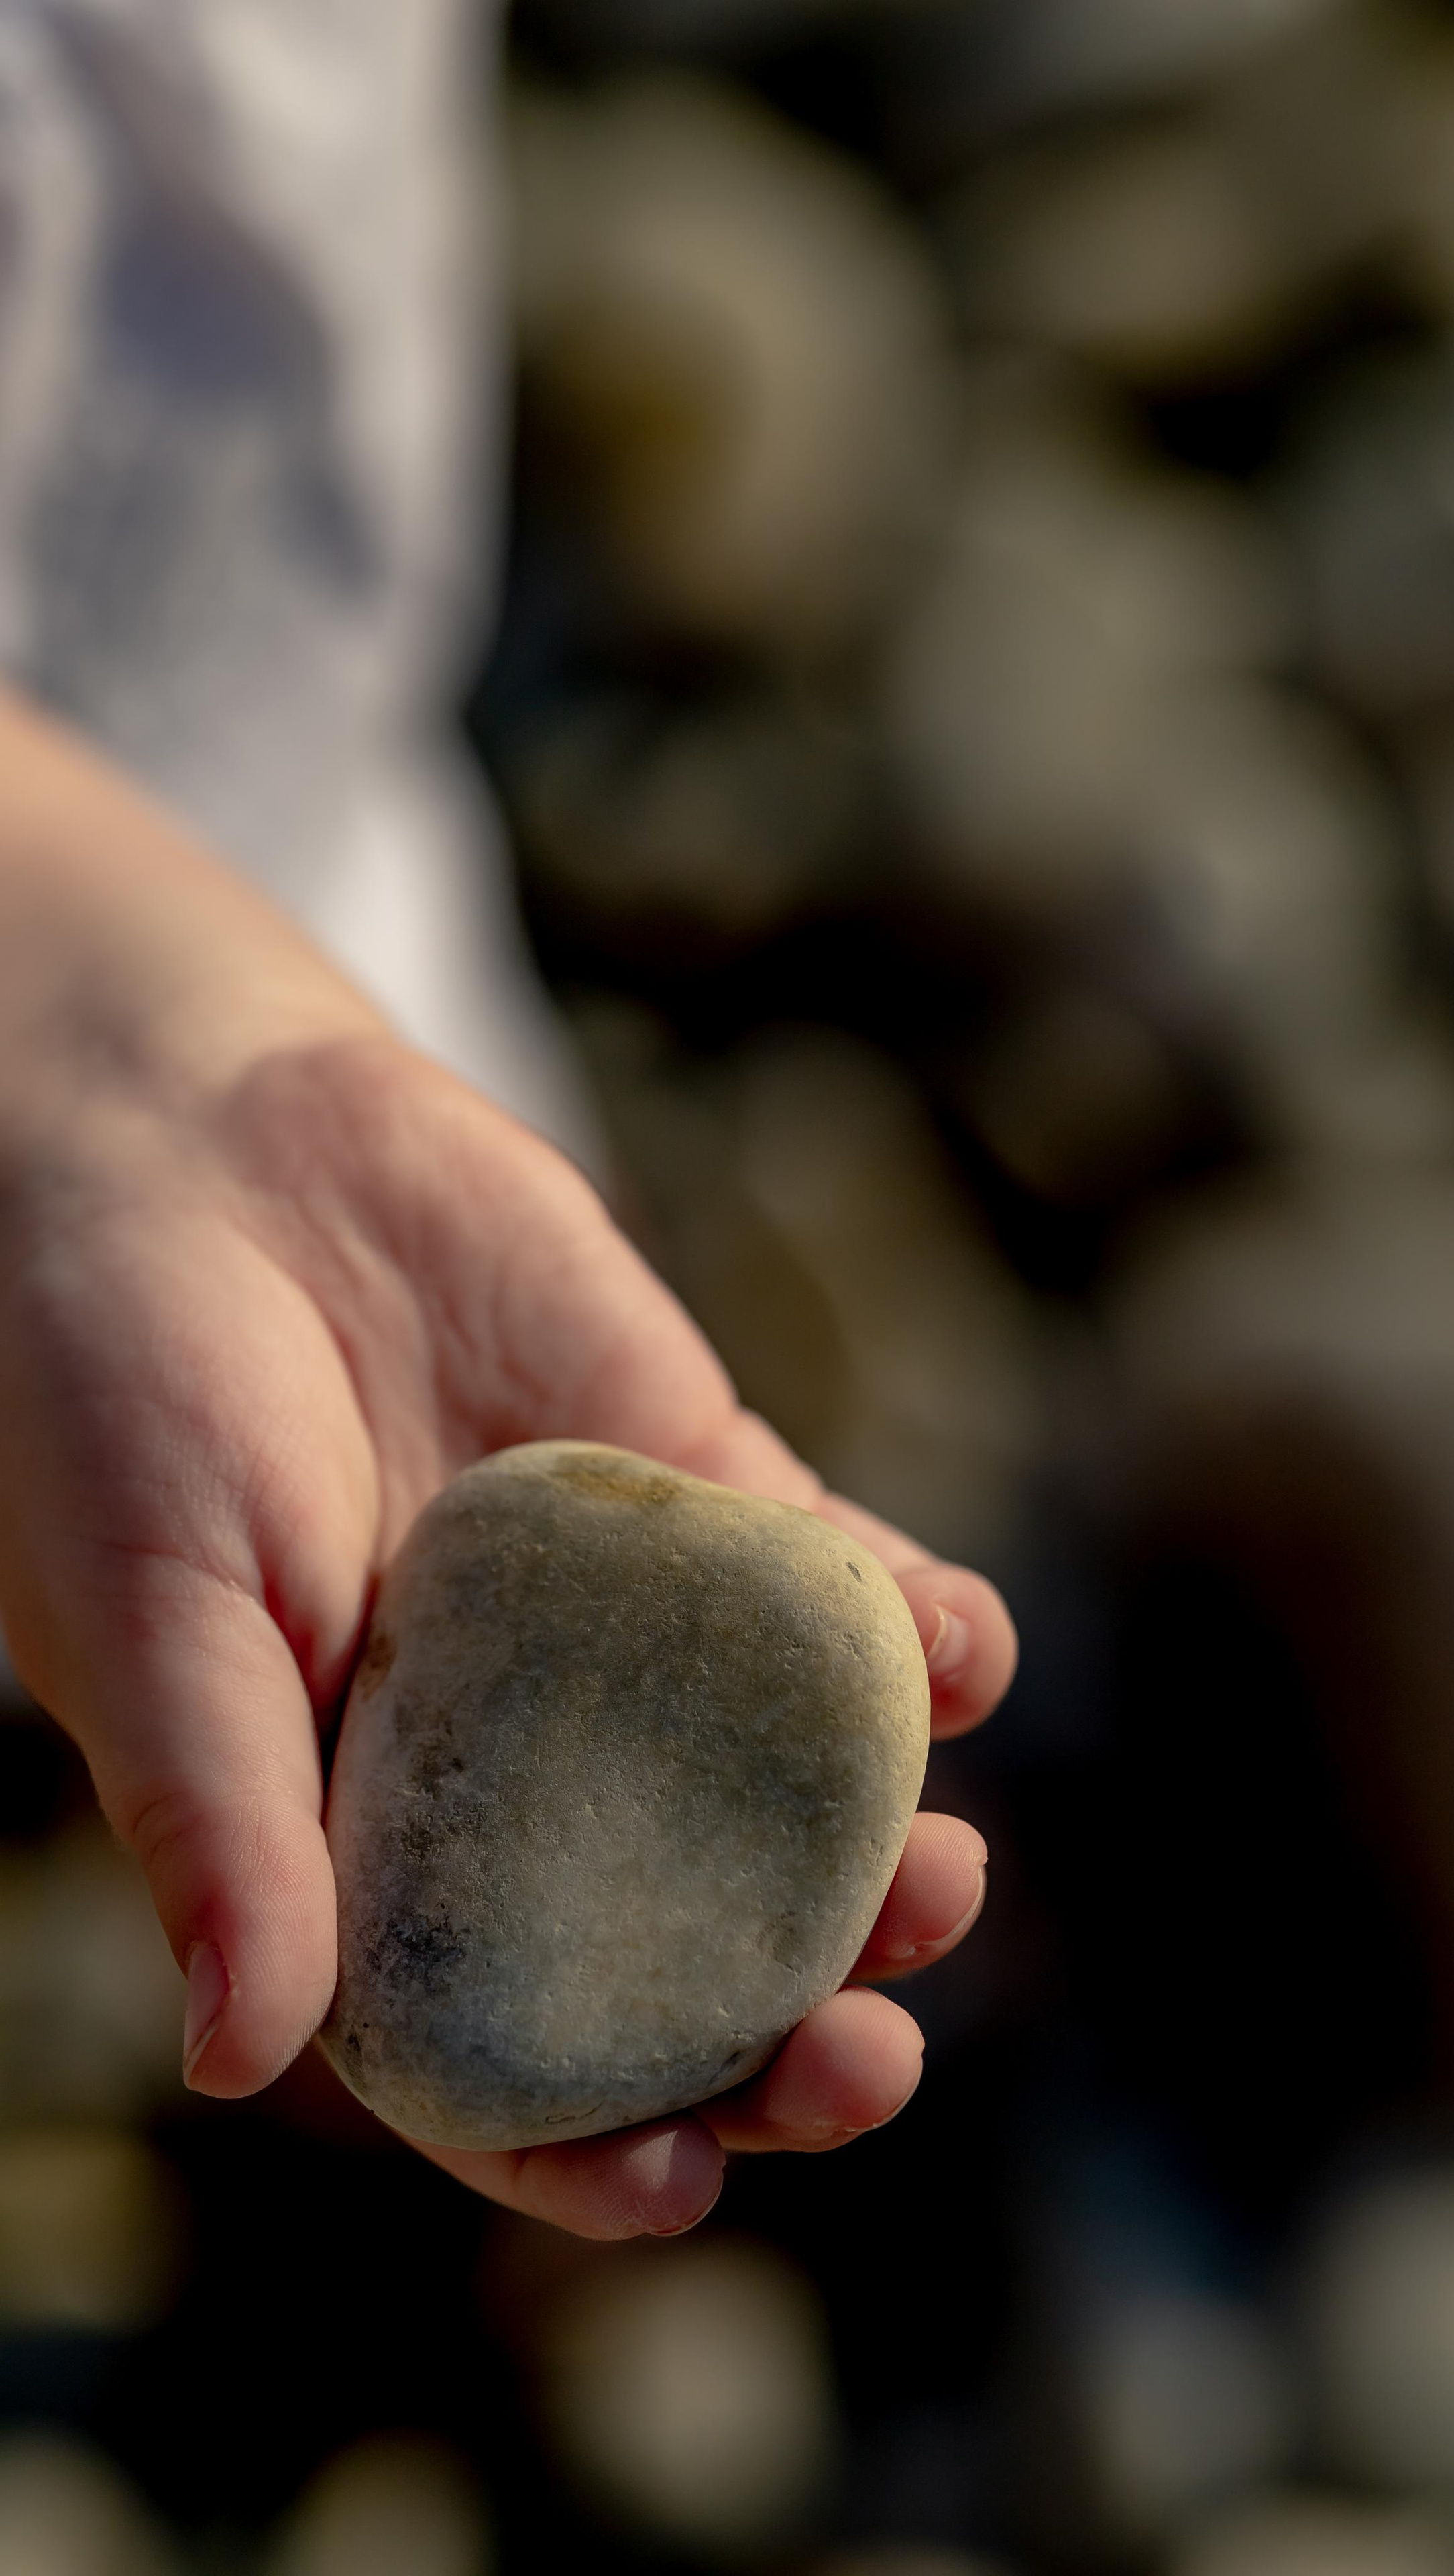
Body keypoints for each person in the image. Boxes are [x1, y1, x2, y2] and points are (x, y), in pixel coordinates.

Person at [0, 9, 1015, 2241]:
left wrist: (151, 1041)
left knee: (273, 1459)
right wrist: (68, 1028)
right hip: (100, 993)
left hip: (239, 917)